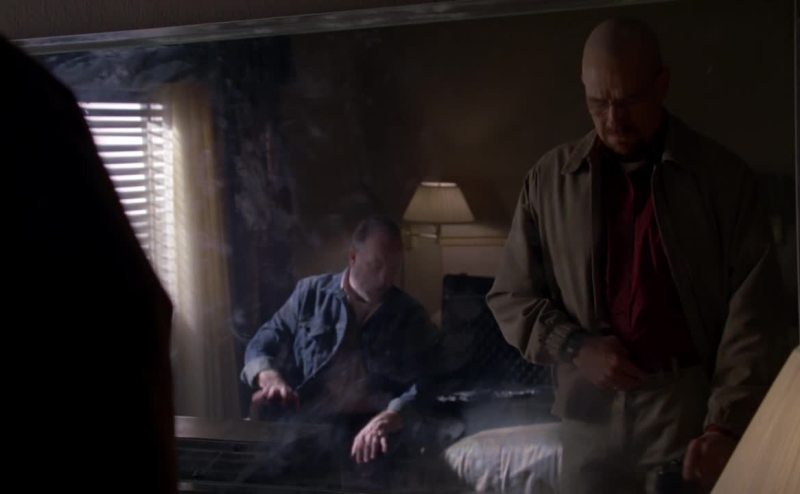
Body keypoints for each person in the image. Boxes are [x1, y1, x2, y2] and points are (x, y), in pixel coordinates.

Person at [486, 18, 789, 494]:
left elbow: (754, 317)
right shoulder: (548, 182)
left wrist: (726, 424)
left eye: (628, 101)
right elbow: (510, 297)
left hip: (684, 411)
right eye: (598, 103)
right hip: (586, 412)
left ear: (662, 85)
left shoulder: (722, 181)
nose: (613, 119)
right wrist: (574, 346)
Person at [241, 215, 440, 481]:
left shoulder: (410, 314)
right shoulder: (310, 293)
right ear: (353, 257)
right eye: (376, 265)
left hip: (371, 424)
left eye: (393, 268)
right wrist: (269, 377)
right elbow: (264, 340)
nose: (385, 278)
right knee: (256, 475)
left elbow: (428, 381)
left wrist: (393, 415)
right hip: (309, 417)